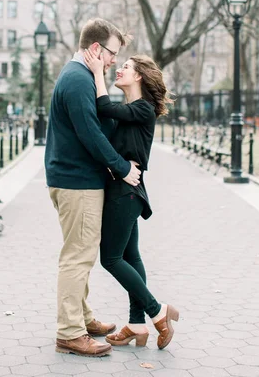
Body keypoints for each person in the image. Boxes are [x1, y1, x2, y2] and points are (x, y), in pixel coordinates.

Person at [45, 18, 141, 358]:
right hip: (77, 182)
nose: (115, 60)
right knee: (77, 257)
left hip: (76, 180)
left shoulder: (82, 76)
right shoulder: (76, 80)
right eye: (113, 53)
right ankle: (70, 332)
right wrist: (123, 168)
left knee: (80, 253)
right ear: (96, 49)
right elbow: (90, 134)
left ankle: (82, 318)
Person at [84, 49, 179, 350]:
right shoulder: (132, 109)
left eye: (124, 67)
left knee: (111, 258)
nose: (118, 70)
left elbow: (103, 107)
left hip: (125, 193)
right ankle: (137, 324)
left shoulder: (143, 109)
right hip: (125, 191)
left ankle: (157, 311)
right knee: (130, 256)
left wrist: (97, 71)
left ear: (138, 75)